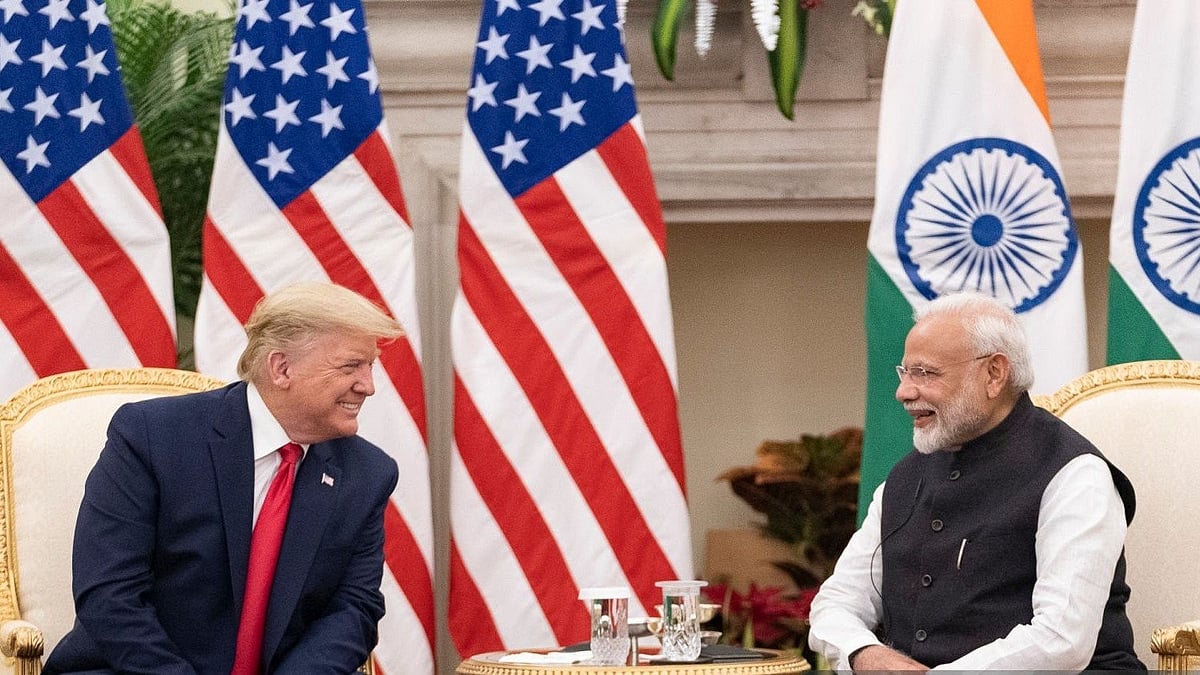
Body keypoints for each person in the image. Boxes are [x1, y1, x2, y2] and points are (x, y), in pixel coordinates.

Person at [44, 282, 402, 674]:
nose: (368, 385)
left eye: (370, 366)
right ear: (281, 368)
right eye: (351, 366)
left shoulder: (367, 474)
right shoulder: (153, 437)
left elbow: (352, 609)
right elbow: (110, 596)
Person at [807, 291, 1145, 671]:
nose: (904, 392)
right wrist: (864, 654)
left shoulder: (1075, 475)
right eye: (905, 372)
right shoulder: (904, 476)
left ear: (994, 374)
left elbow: (1062, 640)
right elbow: (836, 602)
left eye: (926, 373)